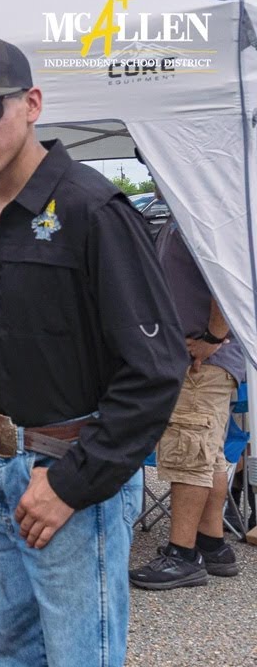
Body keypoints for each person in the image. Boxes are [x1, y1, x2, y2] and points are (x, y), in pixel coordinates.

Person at [0, 36, 188, 667]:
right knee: (15, 657)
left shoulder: (89, 207)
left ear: (33, 103)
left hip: (72, 476)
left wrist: (72, 482)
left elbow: (156, 368)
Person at [129, 191, 246, 588]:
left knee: (189, 454)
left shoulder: (203, 216)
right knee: (207, 454)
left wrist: (213, 336)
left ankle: (182, 554)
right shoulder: (189, 215)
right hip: (202, 359)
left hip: (201, 360)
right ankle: (212, 543)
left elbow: (224, 279)